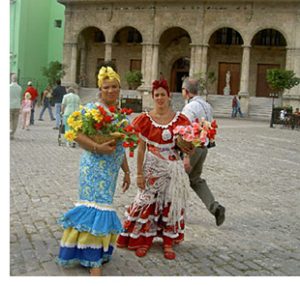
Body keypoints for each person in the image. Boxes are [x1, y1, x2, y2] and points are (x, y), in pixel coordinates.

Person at [56, 66, 131, 276]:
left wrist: (127, 171)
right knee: (95, 206)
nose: (110, 90)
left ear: (119, 88)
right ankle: (92, 259)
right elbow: (74, 133)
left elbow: (120, 146)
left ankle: (93, 250)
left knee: (104, 205)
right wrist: (98, 147)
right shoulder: (91, 109)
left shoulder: (119, 114)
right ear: (100, 88)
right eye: (106, 87)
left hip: (111, 170)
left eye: (114, 86)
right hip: (94, 167)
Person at [116, 79, 191, 260]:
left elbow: (188, 144)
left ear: (168, 96)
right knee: (146, 203)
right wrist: (139, 174)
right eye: (156, 95)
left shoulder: (180, 120)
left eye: (162, 94)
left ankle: (167, 242)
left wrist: (187, 156)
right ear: (152, 97)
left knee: (169, 204)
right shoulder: (145, 120)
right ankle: (145, 240)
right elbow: (141, 148)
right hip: (152, 168)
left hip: (173, 169)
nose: (159, 98)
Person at [181, 77, 225, 226]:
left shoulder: (190, 108)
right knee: (195, 180)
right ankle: (214, 207)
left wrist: (186, 156)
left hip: (192, 149)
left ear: (186, 91)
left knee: (179, 179)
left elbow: (186, 132)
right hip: (203, 148)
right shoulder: (207, 106)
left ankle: (177, 213)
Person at [10, 74, 22, 139]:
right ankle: (12, 134)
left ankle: (10, 132)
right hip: (17, 105)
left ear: (11, 79)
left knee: (10, 120)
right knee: (15, 120)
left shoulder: (9, 87)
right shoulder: (19, 87)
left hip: (10, 105)